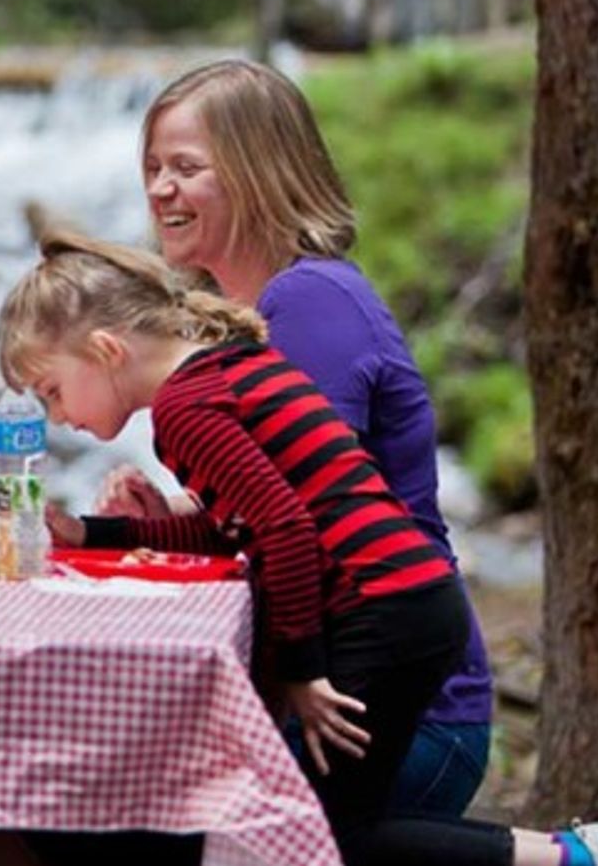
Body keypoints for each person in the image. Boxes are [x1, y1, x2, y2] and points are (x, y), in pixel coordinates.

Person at [1, 232, 598, 866]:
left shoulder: (185, 410)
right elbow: (236, 528)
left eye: (53, 391)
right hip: (418, 601)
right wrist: (96, 534)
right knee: (326, 825)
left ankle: (575, 857)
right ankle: (581, 853)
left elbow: (284, 530)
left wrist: (303, 672)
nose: (58, 416)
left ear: (105, 348)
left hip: (380, 614)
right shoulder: (230, 364)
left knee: (293, 835)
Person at [81, 57, 495, 816]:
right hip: (357, 683)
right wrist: (165, 517)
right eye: (152, 168)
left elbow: (303, 525)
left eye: (186, 167)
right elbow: (272, 511)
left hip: (408, 713)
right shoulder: (247, 311)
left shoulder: (310, 305)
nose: (159, 190)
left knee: (158, 818)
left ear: (259, 172)